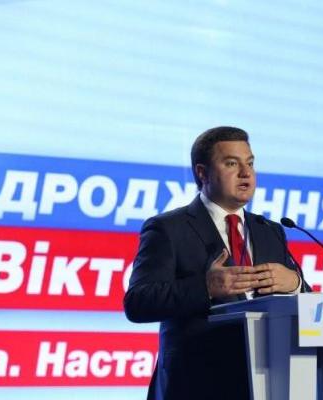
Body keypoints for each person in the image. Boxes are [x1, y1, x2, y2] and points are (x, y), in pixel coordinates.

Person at [124, 126, 310, 400]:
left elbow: (305, 303)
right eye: (232, 163)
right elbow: (138, 302)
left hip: (267, 382)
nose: (246, 173)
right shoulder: (168, 228)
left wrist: (295, 283)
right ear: (202, 173)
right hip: (196, 385)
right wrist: (206, 287)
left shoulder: (270, 230)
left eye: (250, 163)